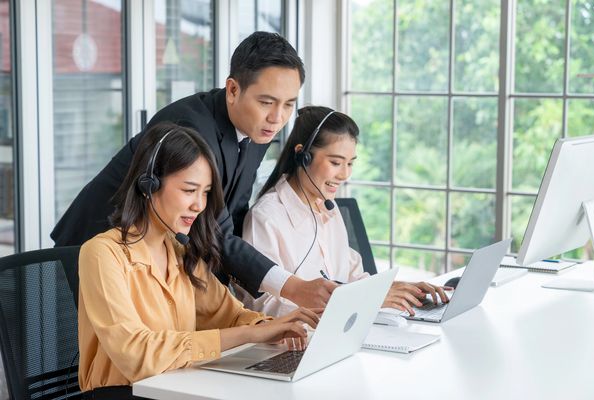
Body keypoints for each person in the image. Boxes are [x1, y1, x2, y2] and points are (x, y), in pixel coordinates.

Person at [51, 31, 337, 309]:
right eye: (266, 102)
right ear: (233, 90)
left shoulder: (257, 128)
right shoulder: (189, 129)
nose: (278, 118)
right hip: (97, 249)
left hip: (153, 255)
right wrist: (291, 287)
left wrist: (245, 299)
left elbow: (234, 213)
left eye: (288, 105)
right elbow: (214, 229)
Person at [78, 123, 319, 399]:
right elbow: (136, 354)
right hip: (123, 393)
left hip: (176, 386)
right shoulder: (102, 254)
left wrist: (271, 328)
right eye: (189, 190)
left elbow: (230, 315)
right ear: (149, 184)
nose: (199, 205)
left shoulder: (180, 251)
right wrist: (251, 336)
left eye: (205, 192)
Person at [238, 106, 450, 317]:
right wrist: (364, 300)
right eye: (336, 162)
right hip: (295, 340)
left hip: (343, 329)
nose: (345, 174)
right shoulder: (265, 217)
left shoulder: (328, 208)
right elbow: (260, 308)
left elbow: (353, 278)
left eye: (350, 163)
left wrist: (398, 290)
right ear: (303, 155)